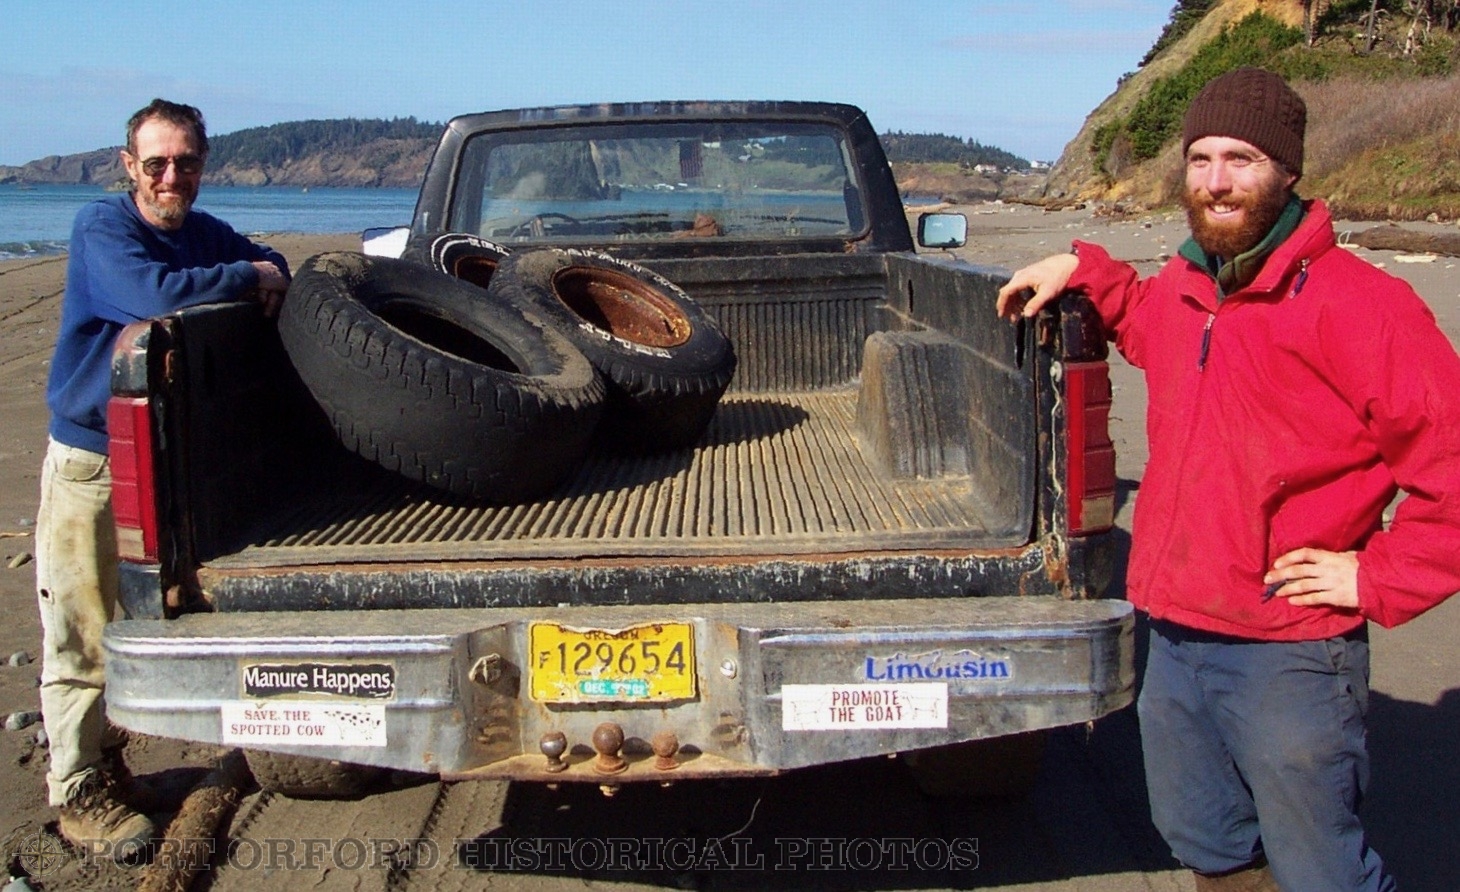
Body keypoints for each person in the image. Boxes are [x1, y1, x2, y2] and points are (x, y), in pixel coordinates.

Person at [996, 67, 1460, 891]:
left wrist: (1376, 575)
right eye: (1201, 158)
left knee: (1323, 871)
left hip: (1290, 650)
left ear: (1287, 171)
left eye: (1241, 159)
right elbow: (1143, 319)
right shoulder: (1184, 287)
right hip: (1175, 632)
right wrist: (1083, 267)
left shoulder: (1365, 306)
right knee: (1207, 843)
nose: (1215, 181)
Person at [37, 98, 289, 859]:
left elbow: (270, 258)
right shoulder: (103, 228)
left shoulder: (203, 233)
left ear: (203, 165)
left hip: (170, 460)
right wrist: (247, 275)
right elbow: (153, 295)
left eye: (186, 162)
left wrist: (266, 268)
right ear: (129, 166)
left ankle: (111, 766)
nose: (170, 177)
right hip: (92, 460)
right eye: (156, 163)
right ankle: (75, 790)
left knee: (146, 621)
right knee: (80, 629)